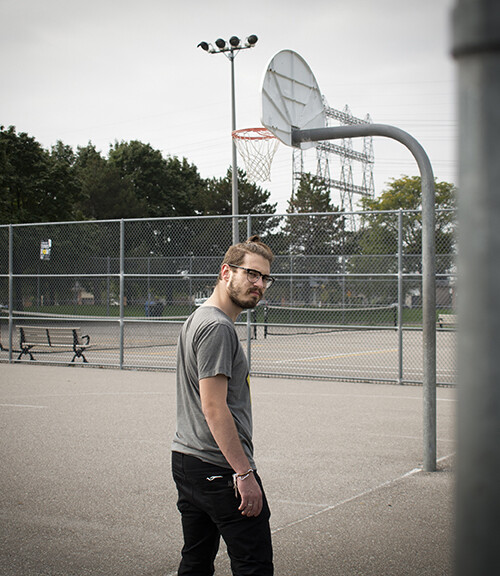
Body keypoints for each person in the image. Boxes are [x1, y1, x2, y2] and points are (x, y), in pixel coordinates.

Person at [171, 235, 275, 576]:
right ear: (226, 272)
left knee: (196, 561)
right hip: (219, 468)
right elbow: (214, 407)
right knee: (253, 564)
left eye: (264, 278)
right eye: (251, 274)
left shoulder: (197, 318)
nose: (259, 284)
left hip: (188, 461)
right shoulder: (217, 327)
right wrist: (244, 475)